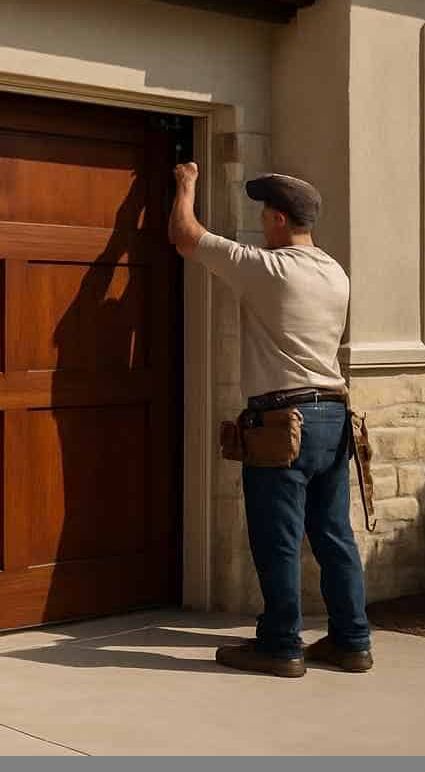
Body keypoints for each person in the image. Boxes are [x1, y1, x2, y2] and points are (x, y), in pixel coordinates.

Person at [168, 161, 373, 677]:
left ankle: (280, 646)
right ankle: (352, 641)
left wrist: (187, 185)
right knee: (333, 535)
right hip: (335, 416)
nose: (261, 222)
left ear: (280, 220)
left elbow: (184, 235)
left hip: (284, 423)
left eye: (265, 214)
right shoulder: (335, 273)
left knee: (277, 537)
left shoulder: (266, 268)